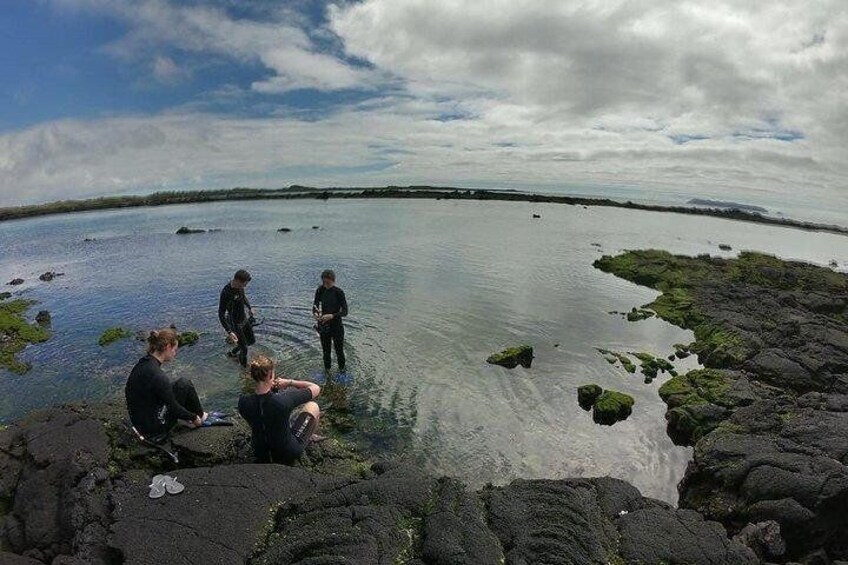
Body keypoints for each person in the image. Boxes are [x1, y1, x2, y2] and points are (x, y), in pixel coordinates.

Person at [125, 328, 206, 443]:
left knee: (180, 385)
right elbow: (174, 409)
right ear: (167, 347)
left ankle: (200, 415)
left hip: (140, 421)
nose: (175, 353)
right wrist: (193, 417)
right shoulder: (158, 376)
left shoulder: (144, 362)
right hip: (155, 429)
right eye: (175, 349)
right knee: (185, 384)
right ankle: (201, 417)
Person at [237, 355, 322, 464]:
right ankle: (308, 436)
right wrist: (289, 382)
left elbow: (262, 414)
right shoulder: (284, 399)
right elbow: (315, 388)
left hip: (259, 452)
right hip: (287, 452)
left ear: (253, 376)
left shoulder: (243, 401)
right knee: (313, 406)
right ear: (271, 375)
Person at [313, 269, 348, 375]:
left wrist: (332, 316)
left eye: (328, 283)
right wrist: (316, 314)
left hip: (336, 326)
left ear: (333, 280)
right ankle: (327, 371)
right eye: (324, 282)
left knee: (339, 351)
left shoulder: (339, 292)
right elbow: (315, 306)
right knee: (326, 351)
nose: (326, 285)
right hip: (324, 325)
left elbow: (345, 311)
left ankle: (342, 371)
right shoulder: (320, 290)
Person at [219, 269, 255, 367]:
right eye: (244, 284)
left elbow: (243, 297)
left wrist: (249, 308)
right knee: (244, 349)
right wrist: (229, 332)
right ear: (238, 281)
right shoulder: (226, 292)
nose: (245, 286)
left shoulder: (240, 287)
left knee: (251, 341)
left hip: (243, 319)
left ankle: (233, 353)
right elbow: (221, 314)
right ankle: (244, 370)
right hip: (234, 322)